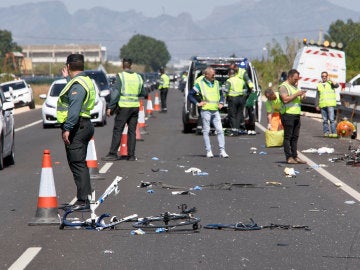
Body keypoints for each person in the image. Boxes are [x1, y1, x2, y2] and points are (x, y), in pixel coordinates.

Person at [57, 53, 95, 210]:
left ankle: (83, 200)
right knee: (78, 163)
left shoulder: (78, 84)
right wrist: (68, 78)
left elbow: (74, 108)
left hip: (77, 126)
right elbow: (74, 94)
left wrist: (67, 128)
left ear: (68, 66)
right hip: (83, 125)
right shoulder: (83, 80)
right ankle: (84, 197)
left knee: (78, 163)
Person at [102, 58, 145, 162]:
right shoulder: (138, 77)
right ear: (131, 65)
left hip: (124, 107)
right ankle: (131, 155)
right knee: (132, 131)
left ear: (122, 65)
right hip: (135, 107)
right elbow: (143, 93)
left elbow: (116, 93)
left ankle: (113, 154)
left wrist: (111, 107)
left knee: (118, 130)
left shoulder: (121, 76)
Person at [188, 66, 229, 158]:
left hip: (215, 111)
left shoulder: (217, 83)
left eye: (214, 74)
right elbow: (190, 95)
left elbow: (221, 95)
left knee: (220, 130)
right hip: (206, 111)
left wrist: (222, 102)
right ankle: (209, 151)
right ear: (206, 75)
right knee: (206, 131)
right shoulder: (200, 84)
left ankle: (222, 151)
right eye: (212, 74)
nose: (214, 76)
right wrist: (197, 103)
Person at [279, 69, 307, 164]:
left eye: (297, 79)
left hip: (296, 114)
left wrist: (302, 96)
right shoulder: (283, 86)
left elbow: (296, 99)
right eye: (295, 79)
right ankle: (289, 157)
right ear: (289, 77)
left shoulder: (294, 87)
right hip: (287, 114)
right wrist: (297, 94)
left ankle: (295, 156)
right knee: (288, 137)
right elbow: (285, 100)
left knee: (295, 137)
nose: (296, 81)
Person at [315, 71, 339, 138]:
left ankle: (334, 132)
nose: (324, 77)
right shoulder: (319, 85)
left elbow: (337, 85)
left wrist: (330, 79)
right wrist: (316, 105)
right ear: (321, 77)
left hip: (330, 104)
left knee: (331, 119)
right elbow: (317, 96)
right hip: (323, 105)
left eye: (325, 76)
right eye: (323, 76)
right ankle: (326, 132)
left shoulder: (330, 83)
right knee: (325, 120)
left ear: (327, 76)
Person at [224, 68, 246, 135]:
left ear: (229, 74)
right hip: (241, 99)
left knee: (232, 115)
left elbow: (226, 91)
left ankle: (233, 130)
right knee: (239, 114)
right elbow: (245, 90)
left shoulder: (229, 80)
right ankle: (237, 129)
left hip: (233, 99)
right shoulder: (241, 80)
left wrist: (224, 97)